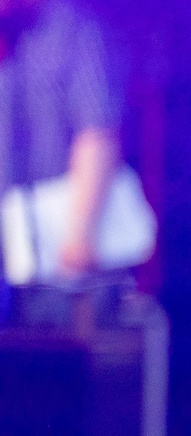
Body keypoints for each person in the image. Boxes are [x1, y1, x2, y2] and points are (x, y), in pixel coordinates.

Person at [0, 0, 121, 307]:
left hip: (53, 255)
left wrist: (79, 236)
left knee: (49, 343)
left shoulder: (74, 27)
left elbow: (97, 132)